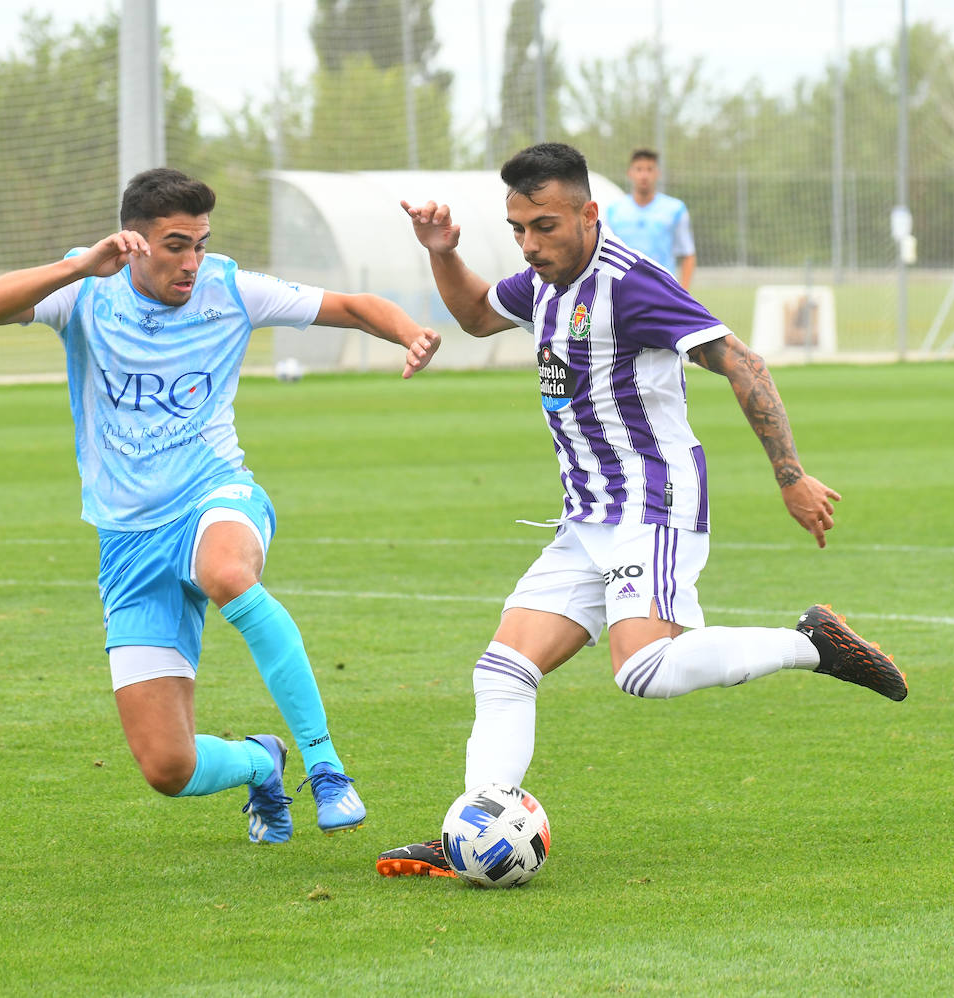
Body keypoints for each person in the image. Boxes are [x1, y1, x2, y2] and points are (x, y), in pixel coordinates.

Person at [377, 143, 905, 879]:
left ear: (590, 215)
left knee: (644, 670)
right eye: (519, 228)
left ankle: (813, 643)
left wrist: (791, 476)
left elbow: (742, 361)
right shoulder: (542, 284)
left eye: (546, 227)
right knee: (502, 671)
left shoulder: (631, 286)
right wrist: (442, 252)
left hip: (651, 500)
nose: (531, 245)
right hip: (585, 516)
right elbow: (471, 313)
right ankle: (482, 824)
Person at [0, 167, 440, 844]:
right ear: (132, 241)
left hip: (215, 494)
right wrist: (81, 267)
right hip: (129, 542)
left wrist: (409, 333)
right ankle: (262, 763)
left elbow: (355, 305)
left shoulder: (228, 289)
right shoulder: (87, 289)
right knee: (167, 766)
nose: (191, 261)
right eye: (175, 245)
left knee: (226, 573)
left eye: (200, 242)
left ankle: (326, 766)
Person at [605, 147, 696, 288]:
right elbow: (606, 253)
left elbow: (688, 253)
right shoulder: (613, 210)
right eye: (639, 169)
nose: (644, 175)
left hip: (662, 288)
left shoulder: (675, 208)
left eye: (649, 169)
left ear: (658, 173)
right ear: (630, 173)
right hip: (623, 289)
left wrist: (683, 292)